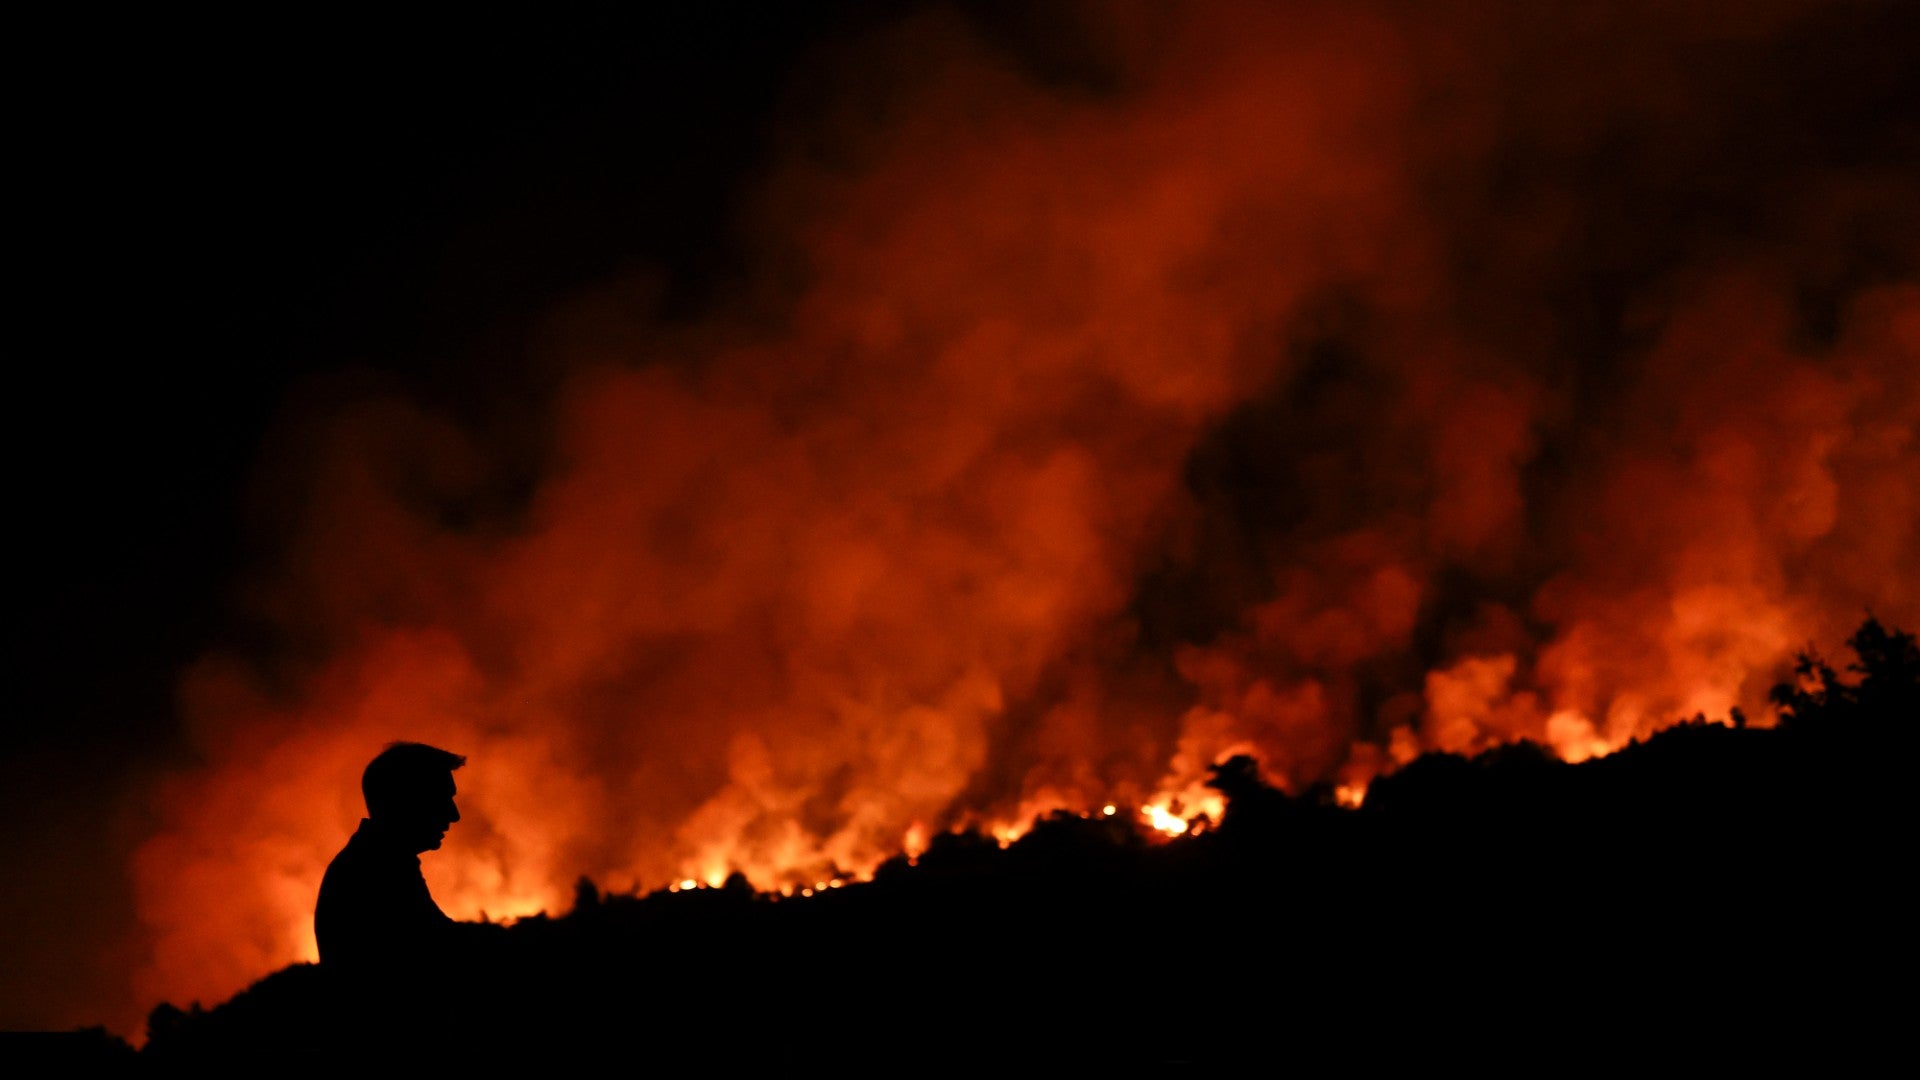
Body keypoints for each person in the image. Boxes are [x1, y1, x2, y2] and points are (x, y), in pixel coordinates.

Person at [314, 741, 469, 990]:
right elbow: (444, 948)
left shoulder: (375, 860)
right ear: (406, 801)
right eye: (442, 798)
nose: (454, 815)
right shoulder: (377, 869)